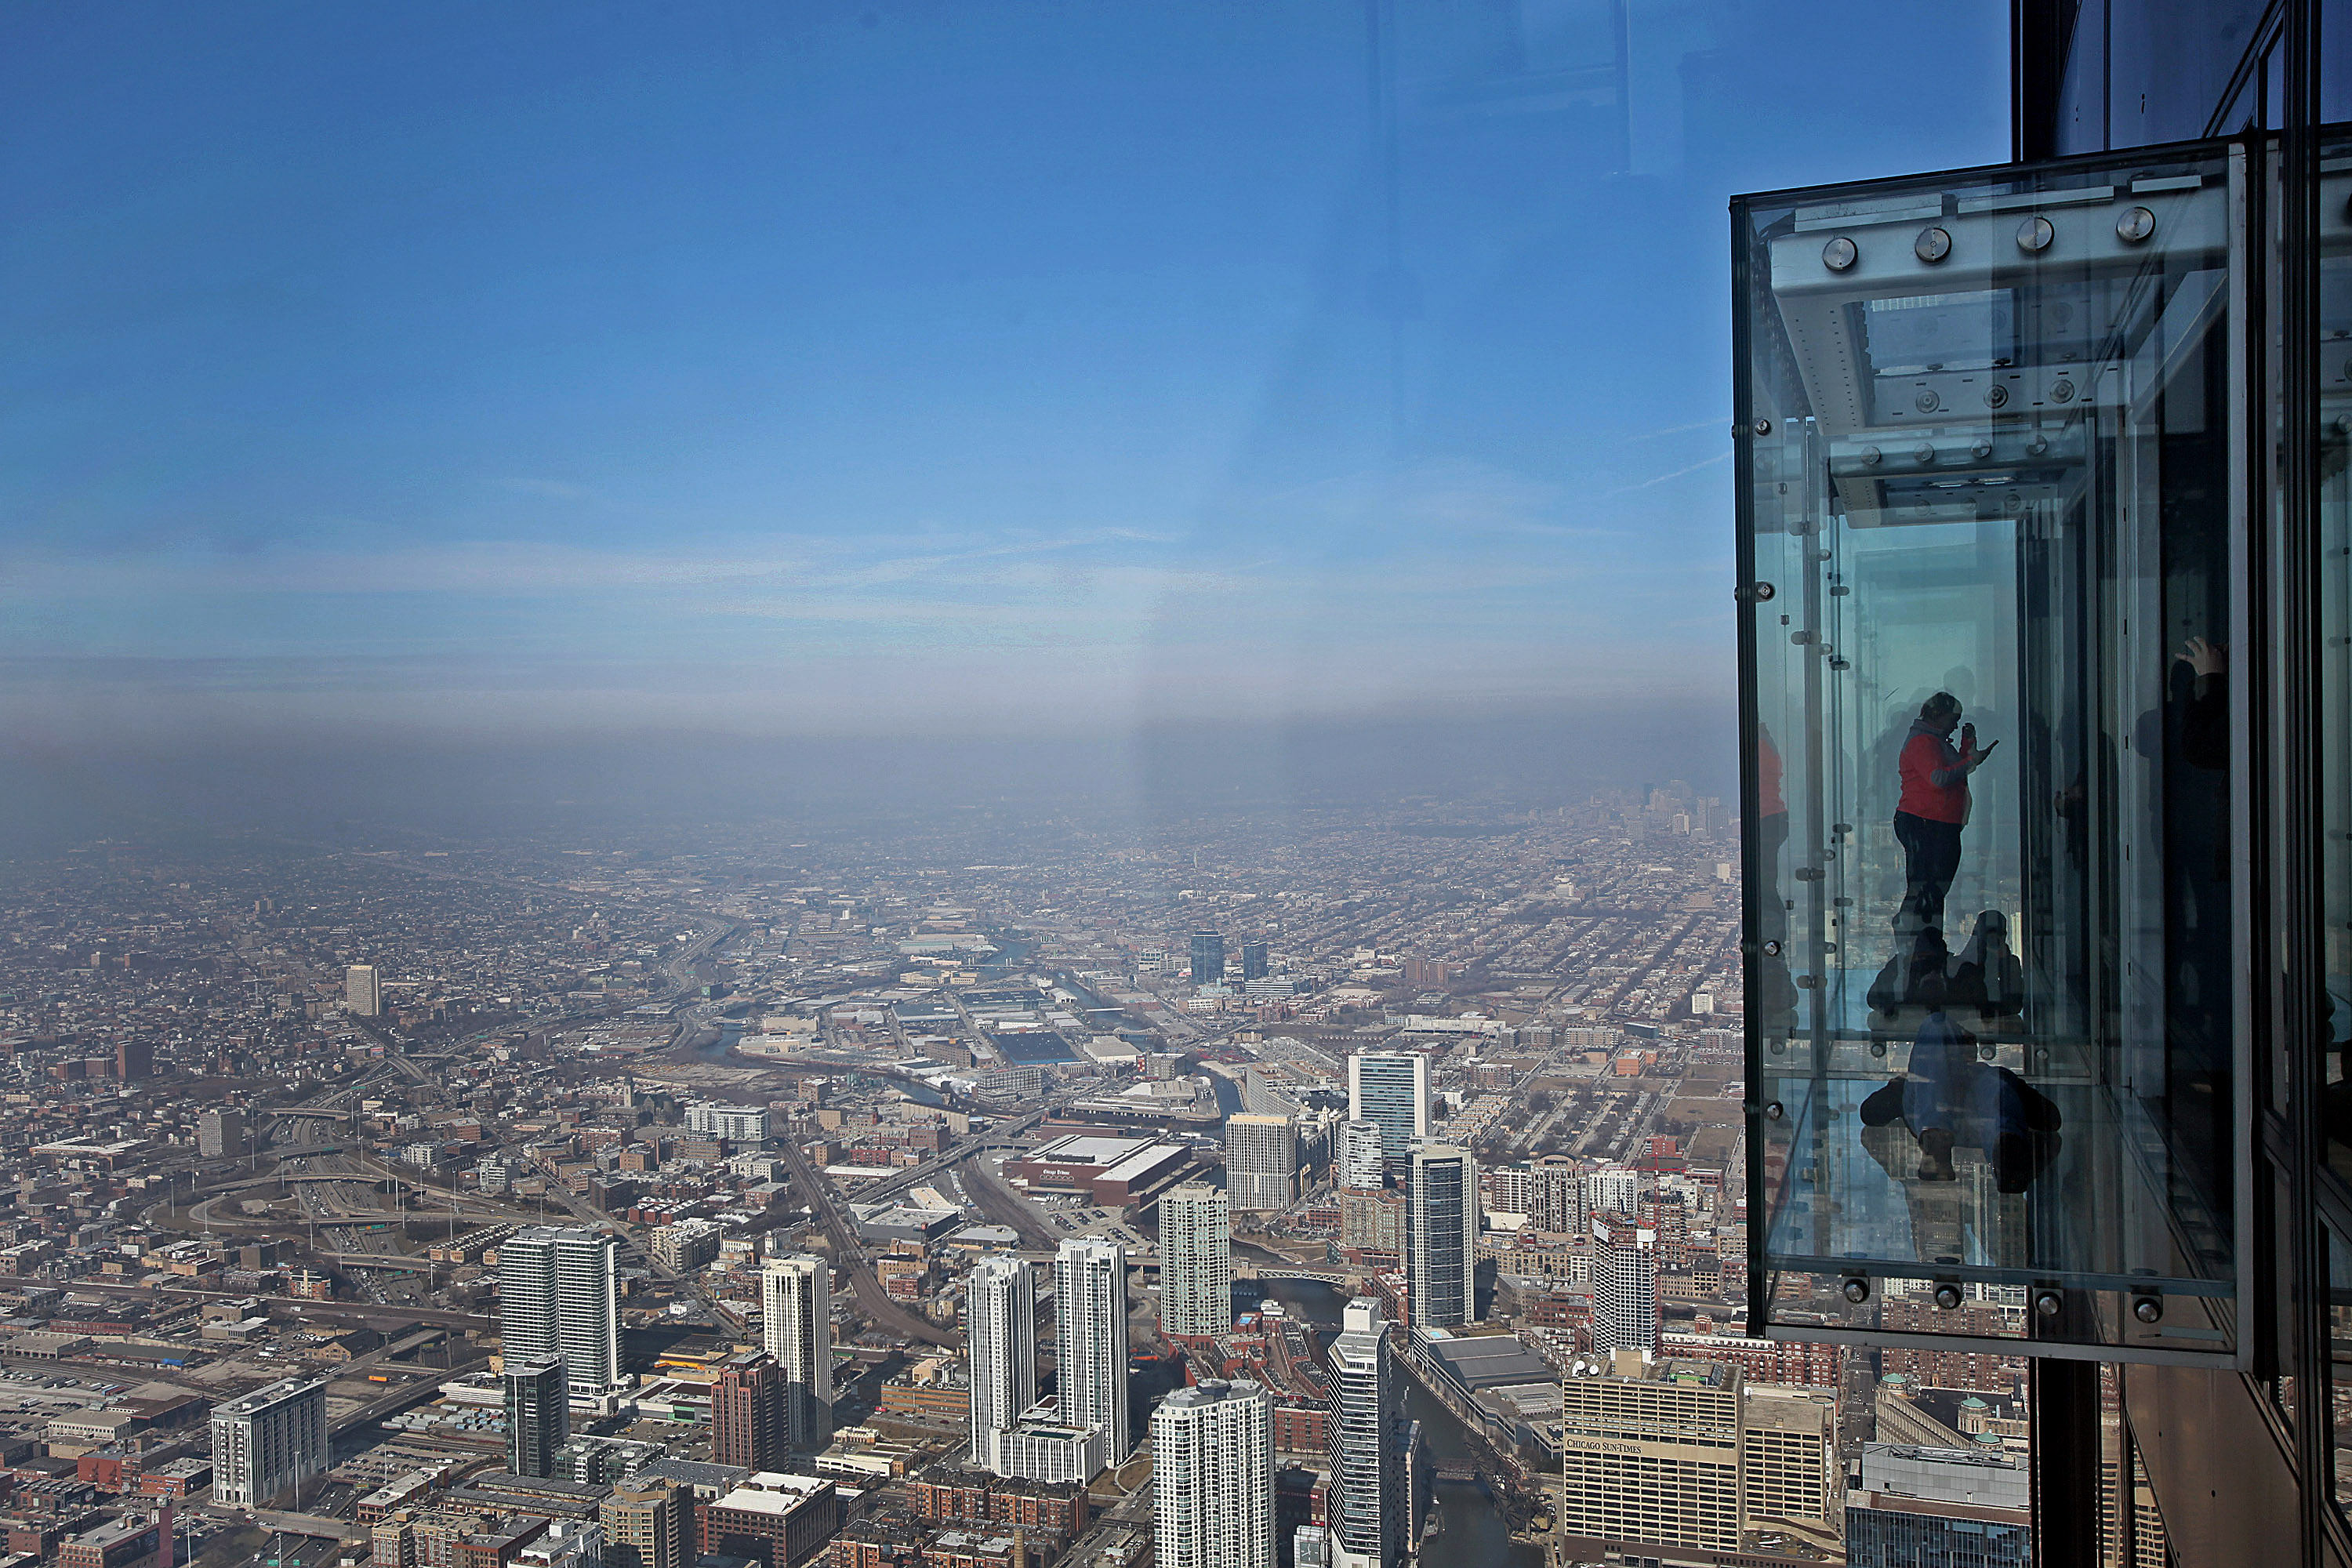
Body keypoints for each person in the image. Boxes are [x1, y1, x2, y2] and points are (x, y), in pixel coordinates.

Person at [1894, 692, 1996, 933]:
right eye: (1954, 718)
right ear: (1938, 716)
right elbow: (1939, 778)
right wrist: (1971, 760)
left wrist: (1967, 750)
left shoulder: (1931, 741)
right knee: (1930, 888)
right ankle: (1922, 937)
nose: (1956, 724)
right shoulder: (1923, 742)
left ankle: (1923, 938)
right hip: (1928, 822)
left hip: (1933, 822)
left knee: (1930, 887)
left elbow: (1948, 772)